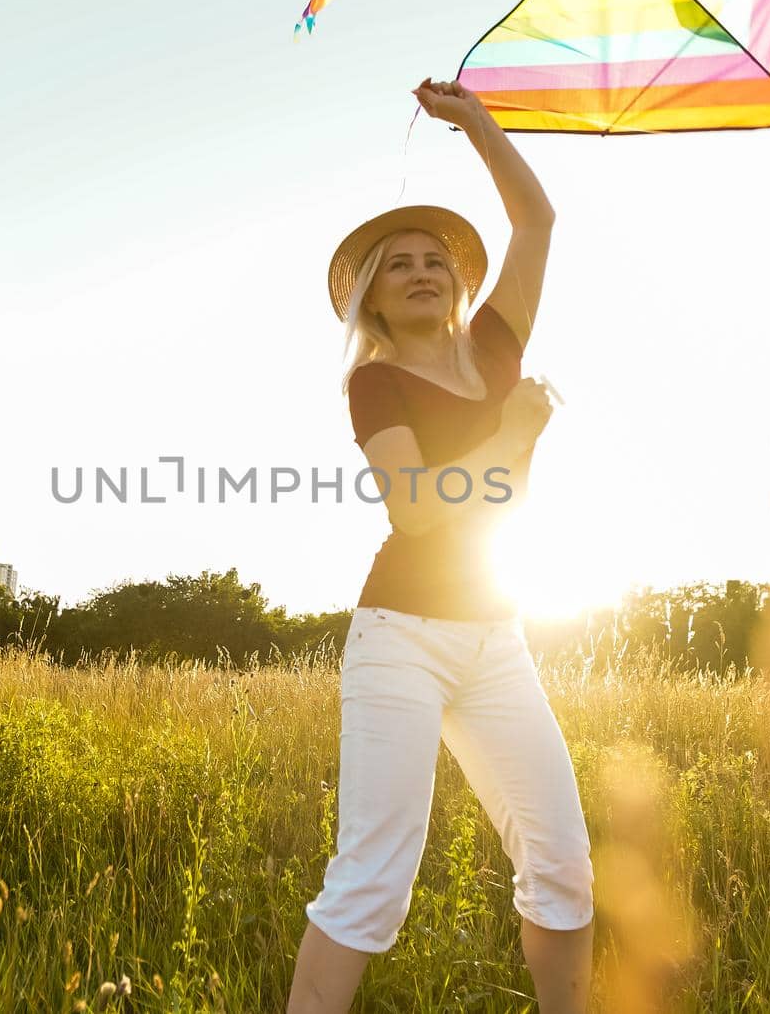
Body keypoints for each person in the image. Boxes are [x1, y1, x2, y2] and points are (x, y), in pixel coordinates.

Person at [287, 79, 594, 1014]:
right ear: (373, 299)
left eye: (435, 260)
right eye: (398, 265)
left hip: (495, 637)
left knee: (563, 864)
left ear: (459, 283)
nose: (422, 270)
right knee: (373, 878)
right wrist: (514, 436)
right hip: (401, 637)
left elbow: (536, 221)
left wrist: (478, 125)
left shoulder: (497, 347)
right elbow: (418, 511)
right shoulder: (375, 385)